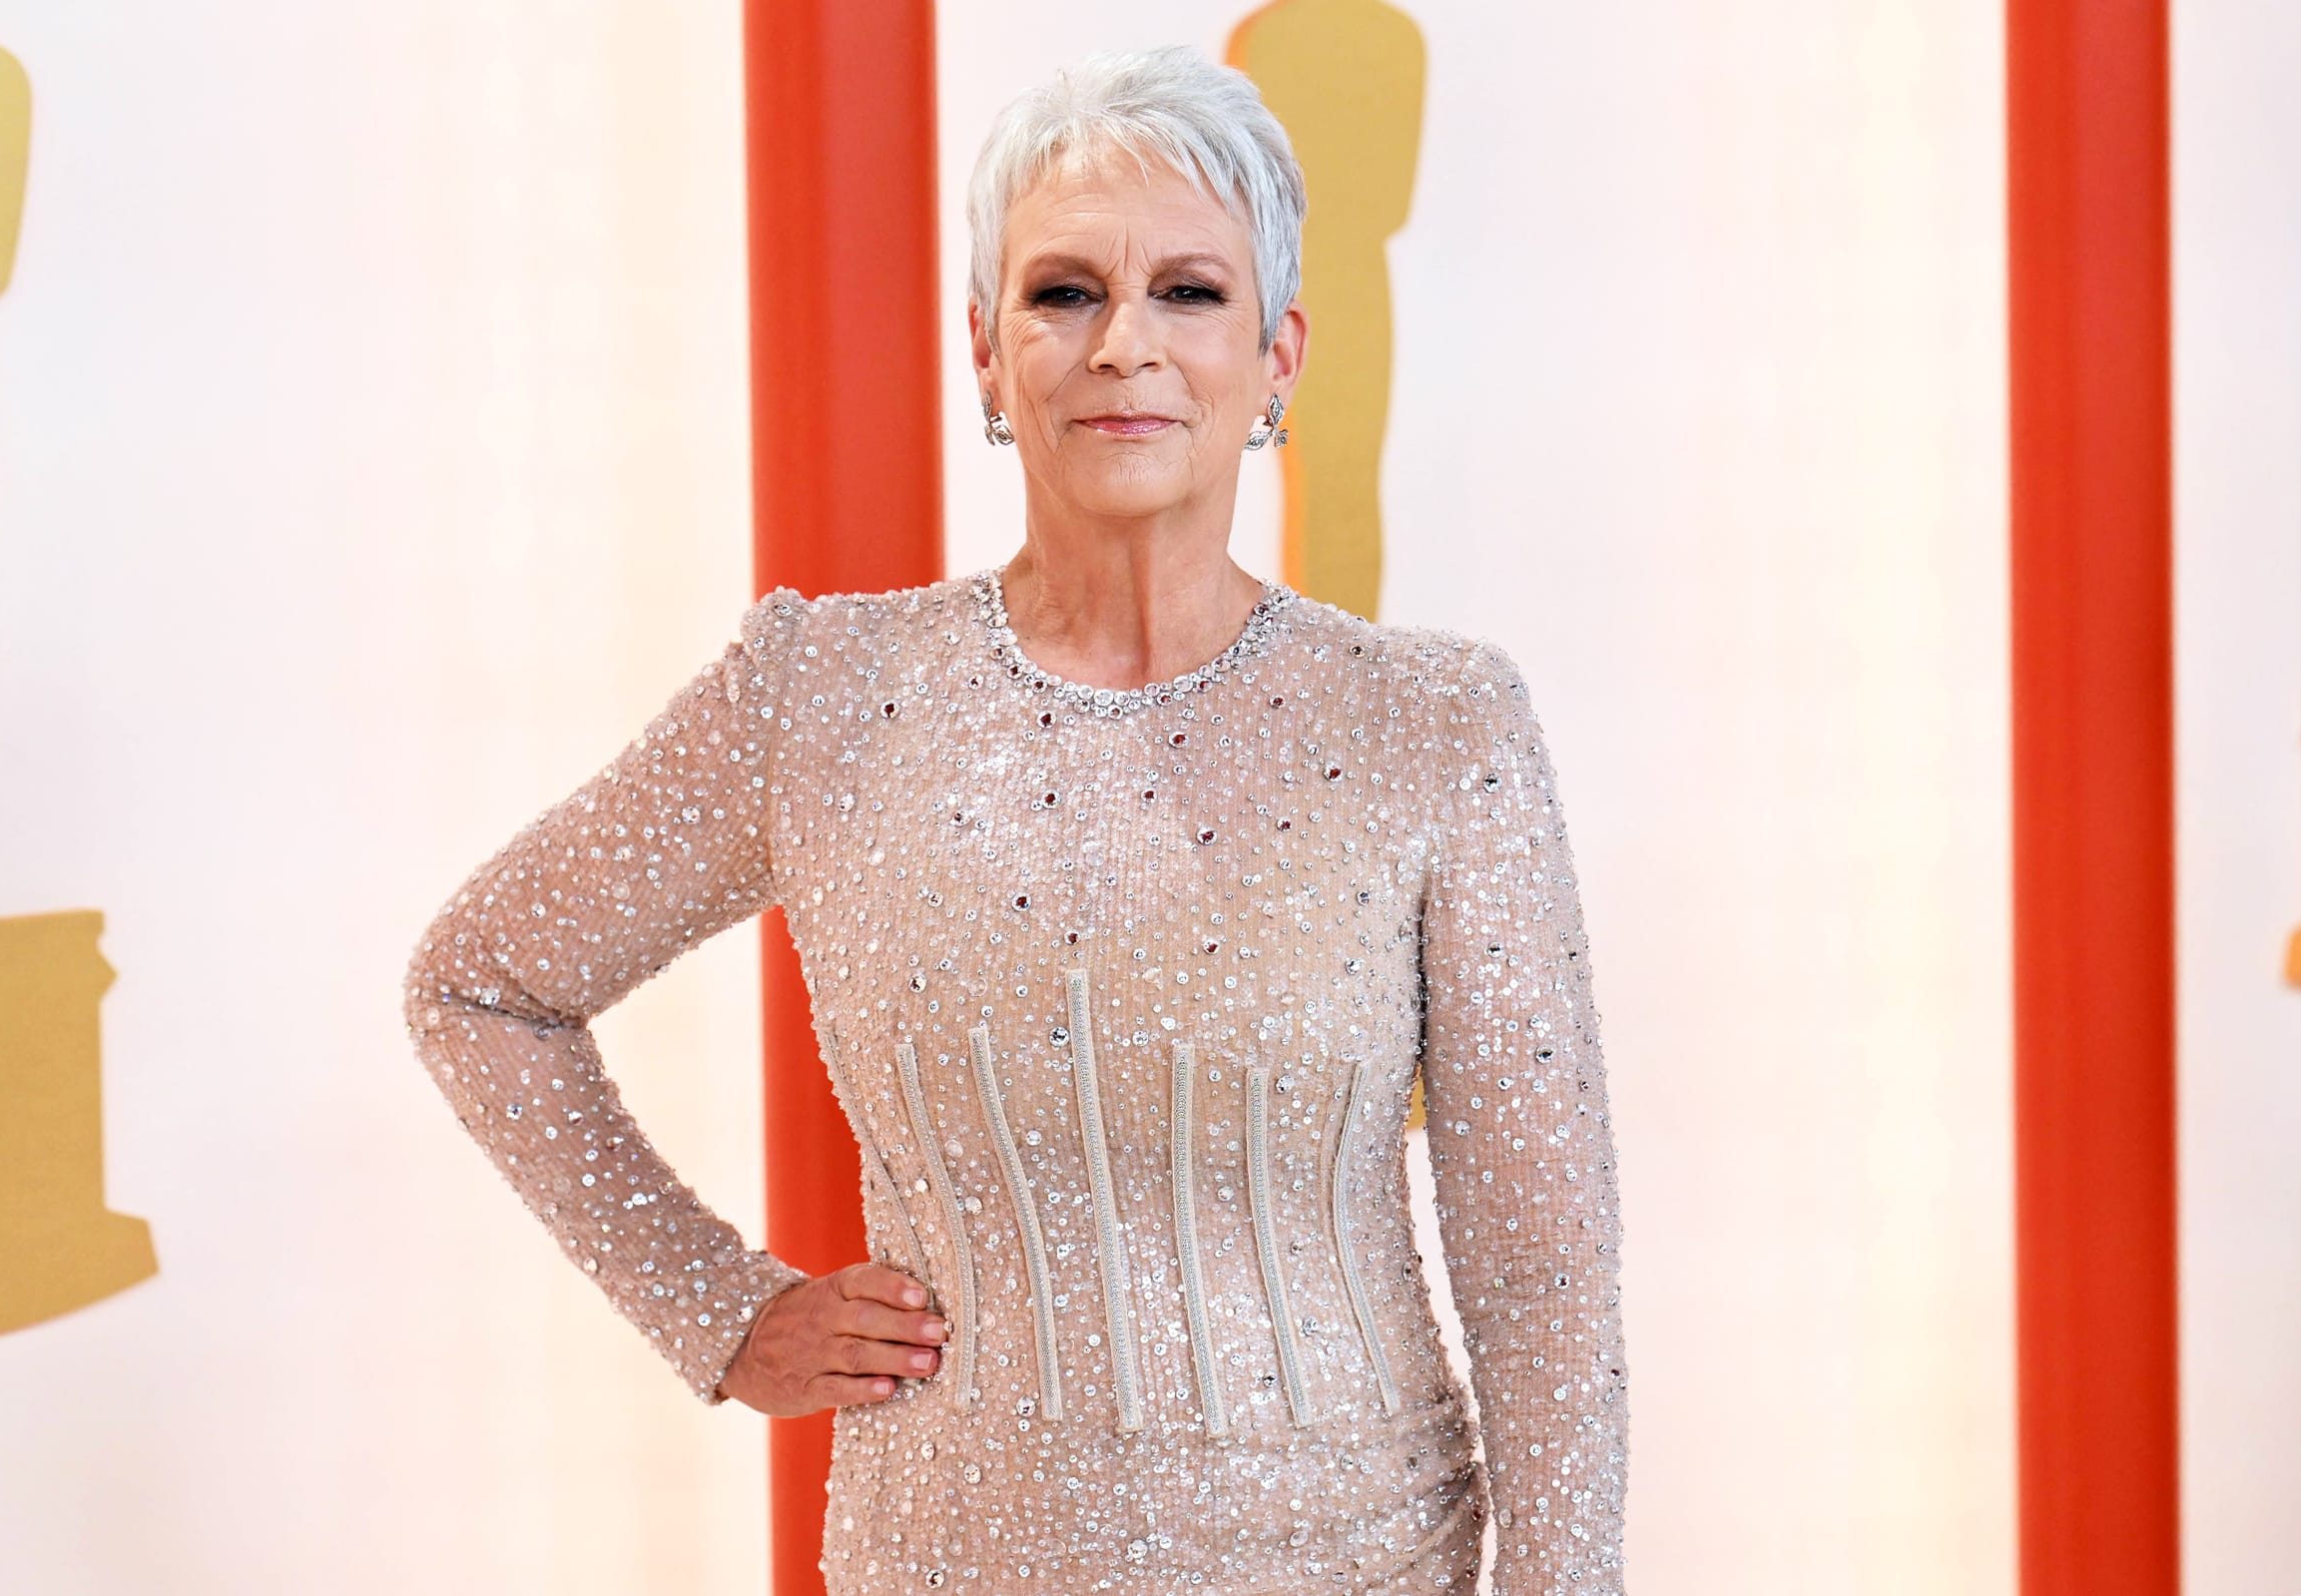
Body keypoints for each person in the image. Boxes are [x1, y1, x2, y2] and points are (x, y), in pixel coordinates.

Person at [401, 43, 1628, 1595]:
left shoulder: (1435, 726)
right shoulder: (821, 695)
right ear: (984, 355)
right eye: (1062, 294)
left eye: (1188, 291)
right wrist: (715, 1310)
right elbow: (480, 985)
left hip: (1358, 1563)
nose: (1125, 343)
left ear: (1280, 356)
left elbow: (1539, 1275)